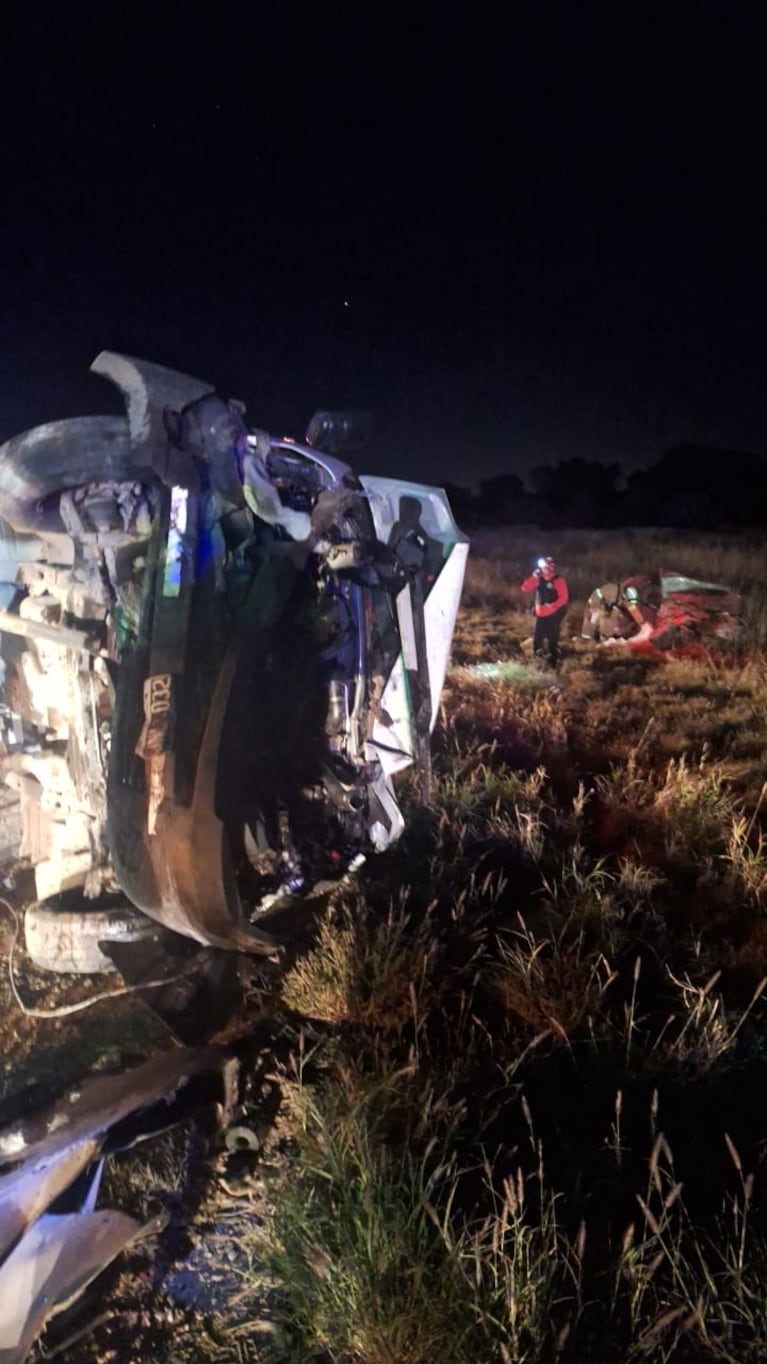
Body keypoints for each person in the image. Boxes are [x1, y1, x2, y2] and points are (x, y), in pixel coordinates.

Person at [520, 556, 569, 666]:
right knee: (537, 639)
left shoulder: (558, 580)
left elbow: (564, 598)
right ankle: (538, 661)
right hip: (540, 614)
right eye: (542, 567)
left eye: (546, 567)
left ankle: (553, 663)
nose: (543, 570)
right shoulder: (538, 579)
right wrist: (533, 577)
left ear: (551, 567)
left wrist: (553, 605)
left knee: (552, 640)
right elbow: (525, 588)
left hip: (553, 615)